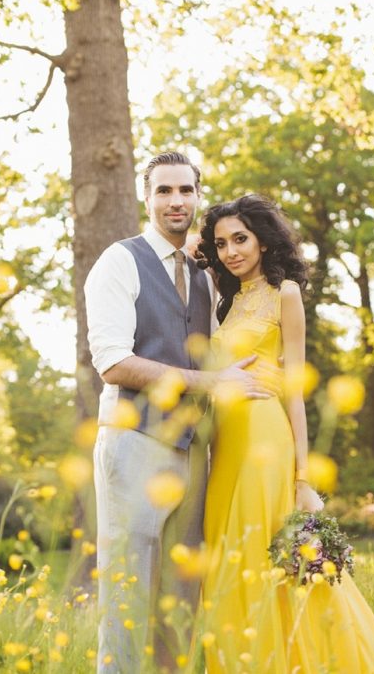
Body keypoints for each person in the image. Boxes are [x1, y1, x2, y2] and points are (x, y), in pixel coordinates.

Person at [192, 193, 374, 673]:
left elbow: (295, 392)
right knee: (228, 559)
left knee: (270, 559)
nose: (231, 251)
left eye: (241, 239)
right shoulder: (226, 300)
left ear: (264, 241)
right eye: (222, 242)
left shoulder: (284, 292)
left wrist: (303, 478)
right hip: (225, 445)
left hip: (265, 439)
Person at [84, 154, 278, 674]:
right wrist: (212, 382)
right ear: (146, 196)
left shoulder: (203, 275)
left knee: (179, 600)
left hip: (193, 452)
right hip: (134, 443)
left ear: (197, 196)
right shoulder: (119, 262)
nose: (176, 201)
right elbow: (113, 364)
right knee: (128, 598)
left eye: (186, 191)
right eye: (164, 191)